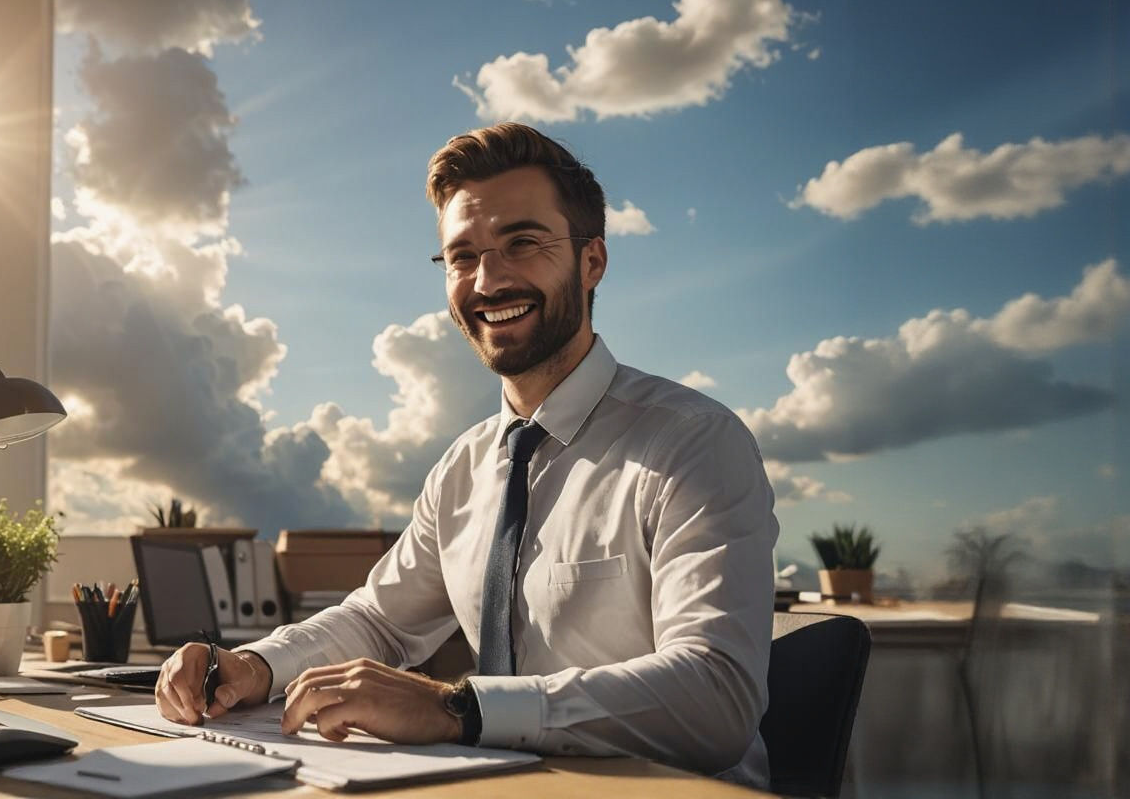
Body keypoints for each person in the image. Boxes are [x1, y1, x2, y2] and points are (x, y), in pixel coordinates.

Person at [154, 122, 778, 788]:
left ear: (592, 261)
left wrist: (457, 708)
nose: (487, 281)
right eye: (462, 257)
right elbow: (379, 620)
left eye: (523, 244)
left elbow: (716, 698)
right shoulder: (466, 467)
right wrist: (255, 665)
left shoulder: (693, 443)